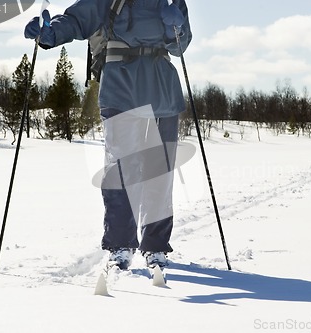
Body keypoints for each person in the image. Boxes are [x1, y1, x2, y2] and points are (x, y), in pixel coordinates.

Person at [24, 0, 192, 270]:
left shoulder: (170, 0)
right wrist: (49, 32)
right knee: (120, 169)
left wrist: (178, 27)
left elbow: (180, 46)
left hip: (162, 89)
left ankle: (156, 245)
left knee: (159, 170)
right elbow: (76, 21)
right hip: (120, 87)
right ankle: (121, 244)